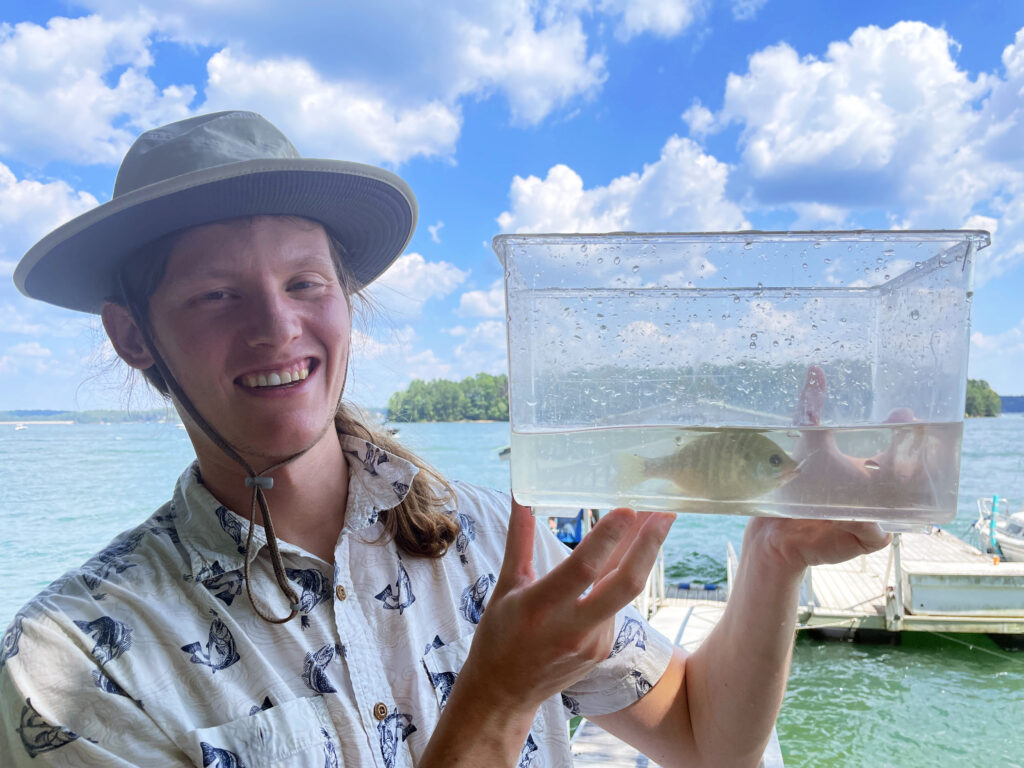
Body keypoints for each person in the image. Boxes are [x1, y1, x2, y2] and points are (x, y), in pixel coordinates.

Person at [1, 111, 891, 768]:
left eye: (305, 282)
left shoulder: (493, 539)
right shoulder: (69, 662)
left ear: (345, 302)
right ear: (132, 335)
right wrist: (498, 700)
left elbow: (709, 739)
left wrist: (775, 553)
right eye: (215, 295)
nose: (277, 328)